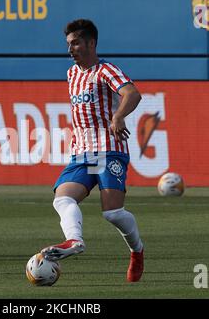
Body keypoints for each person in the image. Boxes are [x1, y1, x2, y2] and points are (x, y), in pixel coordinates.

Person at [41, 19, 144, 282]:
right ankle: (74, 240)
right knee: (62, 199)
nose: (70, 49)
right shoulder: (72, 74)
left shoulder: (106, 70)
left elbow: (132, 94)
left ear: (91, 43)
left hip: (109, 150)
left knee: (112, 213)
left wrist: (118, 116)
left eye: (75, 43)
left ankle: (137, 251)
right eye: (68, 44)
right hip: (82, 153)